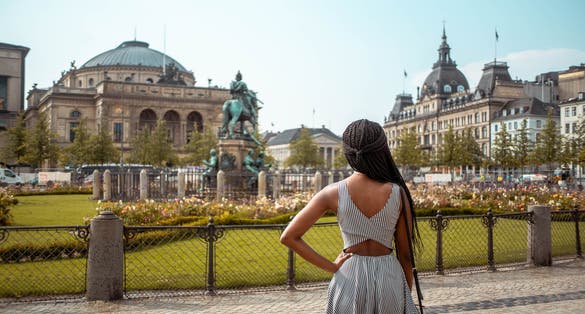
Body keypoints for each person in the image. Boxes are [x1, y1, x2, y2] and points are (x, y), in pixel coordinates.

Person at [280, 119, 419, 313]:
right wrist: (405, 293)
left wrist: (331, 266)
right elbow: (405, 256)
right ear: (382, 151)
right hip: (390, 277)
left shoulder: (331, 192)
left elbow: (289, 237)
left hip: (348, 278)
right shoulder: (398, 193)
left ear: (348, 153)